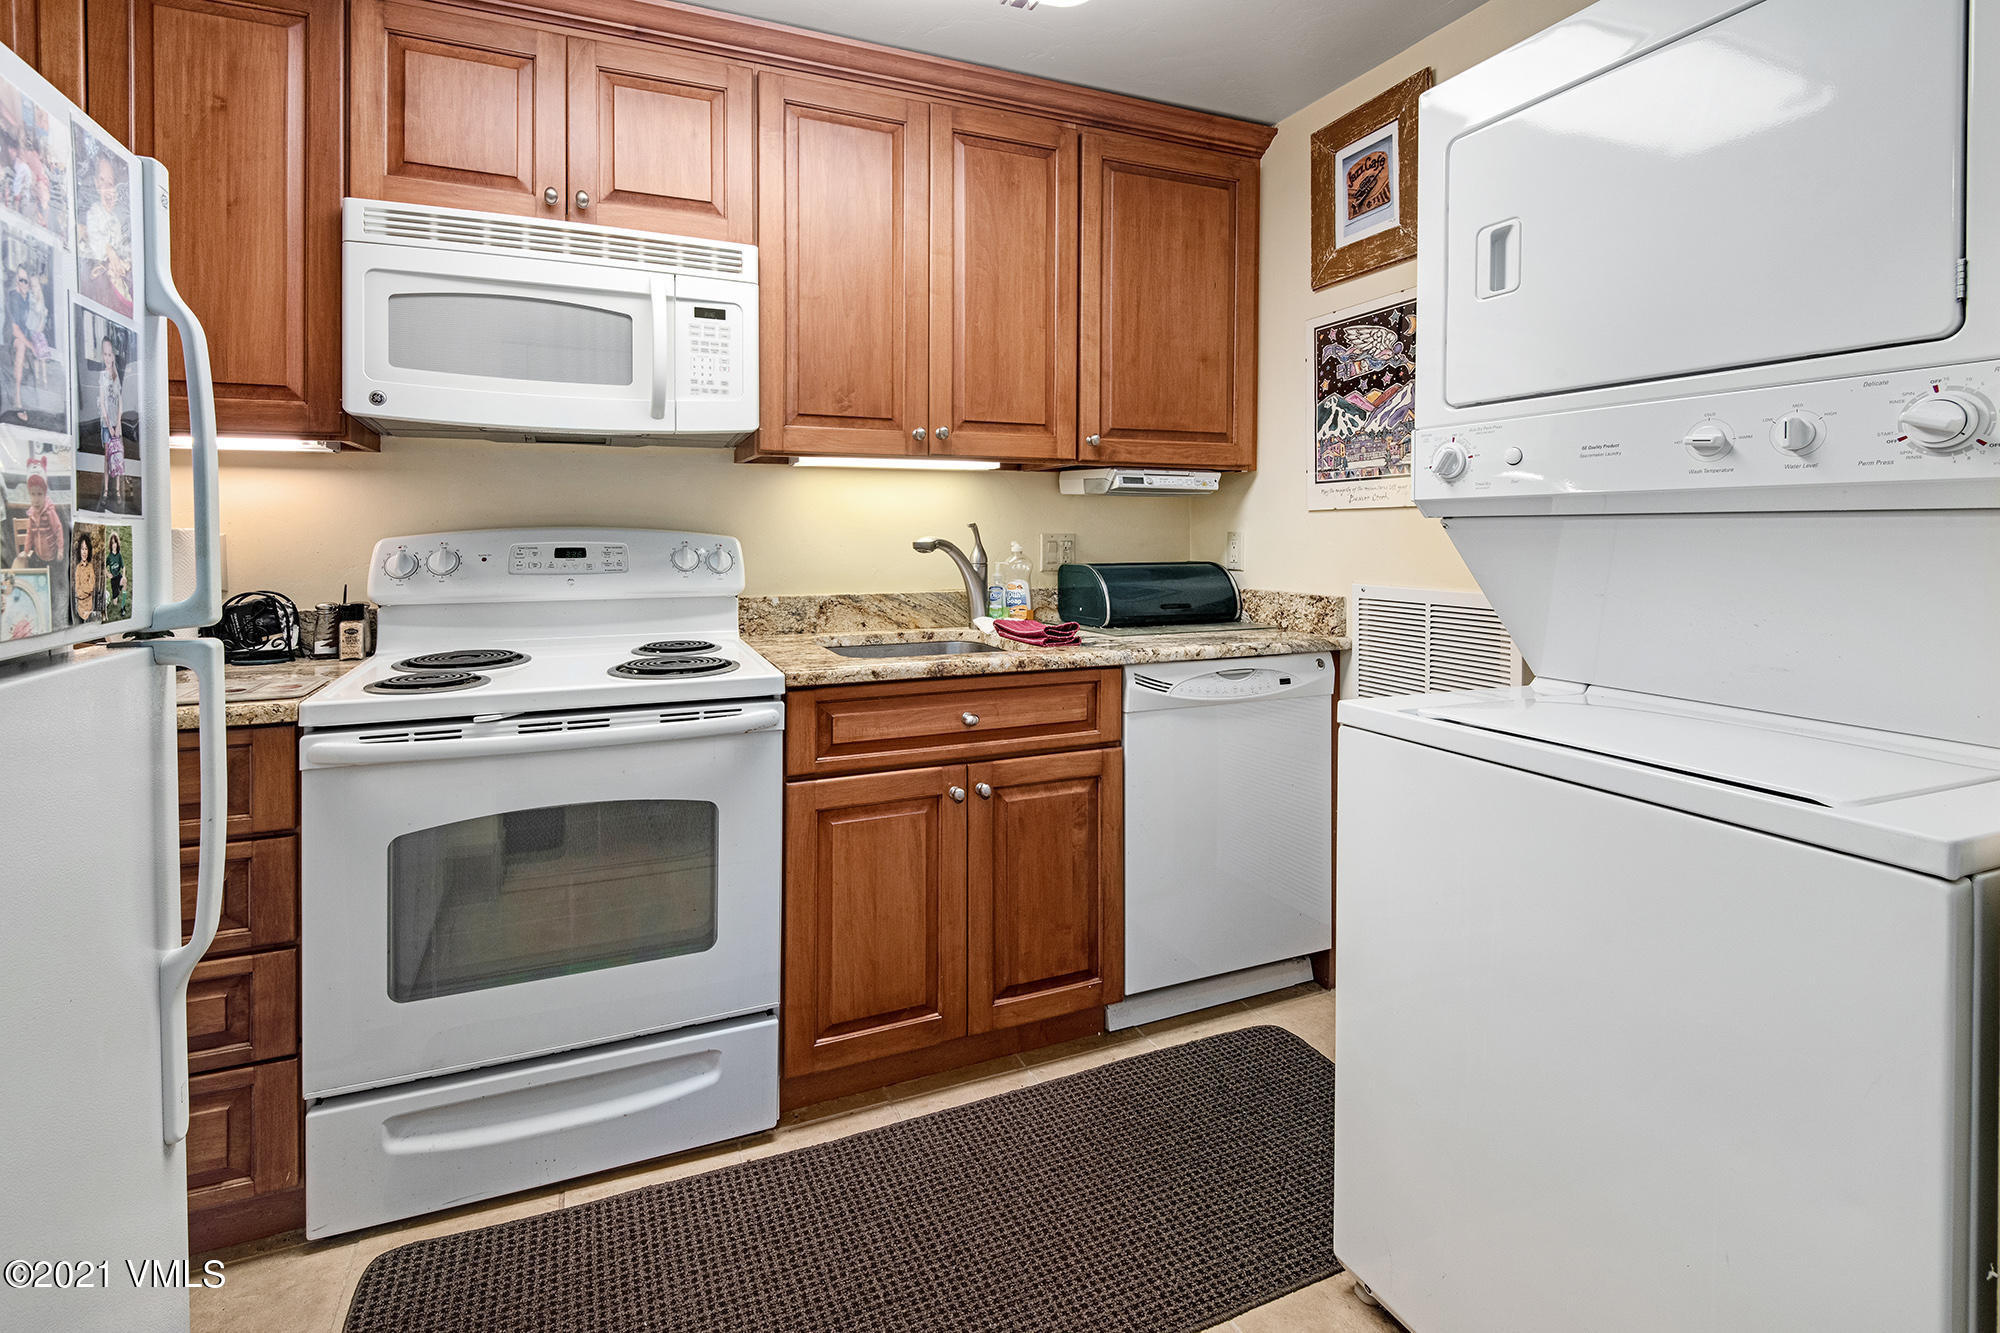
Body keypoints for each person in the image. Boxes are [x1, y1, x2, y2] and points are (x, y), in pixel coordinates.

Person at [20, 467, 65, 621]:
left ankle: (52, 603)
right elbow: (29, 534)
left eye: (39, 494)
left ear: (45, 495)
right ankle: (40, 599)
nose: (36, 498)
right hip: (39, 554)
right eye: (33, 494)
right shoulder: (32, 514)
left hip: (51, 555)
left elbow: (58, 529)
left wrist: (60, 549)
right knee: (40, 577)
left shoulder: (49, 512)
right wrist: (26, 550)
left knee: (51, 578)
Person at [97, 333, 124, 506]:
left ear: (113, 356)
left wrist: (119, 422)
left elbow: (120, 400)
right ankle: (106, 490)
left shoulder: (116, 376)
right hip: (107, 424)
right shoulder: (102, 376)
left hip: (116, 423)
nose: (108, 358)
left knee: (118, 457)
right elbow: (102, 402)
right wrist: (109, 424)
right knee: (107, 457)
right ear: (103, 356)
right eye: (105, 354)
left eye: (110, 354)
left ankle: (118, 490)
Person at [70, 527, 96, 623]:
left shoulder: (90, 567)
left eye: (86, 549)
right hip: (80, 606)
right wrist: (86, 592)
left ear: (88, 551)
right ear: (79, 551)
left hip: (89, 605)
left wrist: (84, 590)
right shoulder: (77, 568)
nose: (84, 552)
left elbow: (91, 587)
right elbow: (77, 589)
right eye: (82, 549)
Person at [103, 529, 124, 616]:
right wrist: (107, 574)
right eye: (112, 543)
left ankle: (118, 592)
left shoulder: (119, 555)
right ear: (110, 545)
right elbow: (104, 566)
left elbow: (122, 565)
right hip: (113, 579)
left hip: (118, 575)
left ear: (117, 544)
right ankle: (114, 599)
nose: (114, 545)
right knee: (115, 600)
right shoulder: (109, 557)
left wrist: (123, 574)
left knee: (121, 586)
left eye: (115, 543)